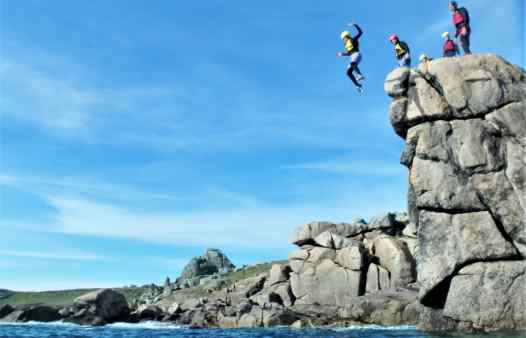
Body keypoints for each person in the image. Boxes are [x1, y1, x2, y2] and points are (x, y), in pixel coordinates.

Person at [337, 22, 365, 93]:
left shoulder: (353, 40)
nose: (344, 40)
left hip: (357, 54)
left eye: (344, 38)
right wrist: (342, 54)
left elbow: (360, 32)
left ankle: (359, 75)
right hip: (352, 56)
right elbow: (349, 53)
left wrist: (355, 25)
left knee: (352, 63)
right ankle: (357, 85)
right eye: (343, 39)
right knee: (348, 73)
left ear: (347, 36)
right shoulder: (347, 45)